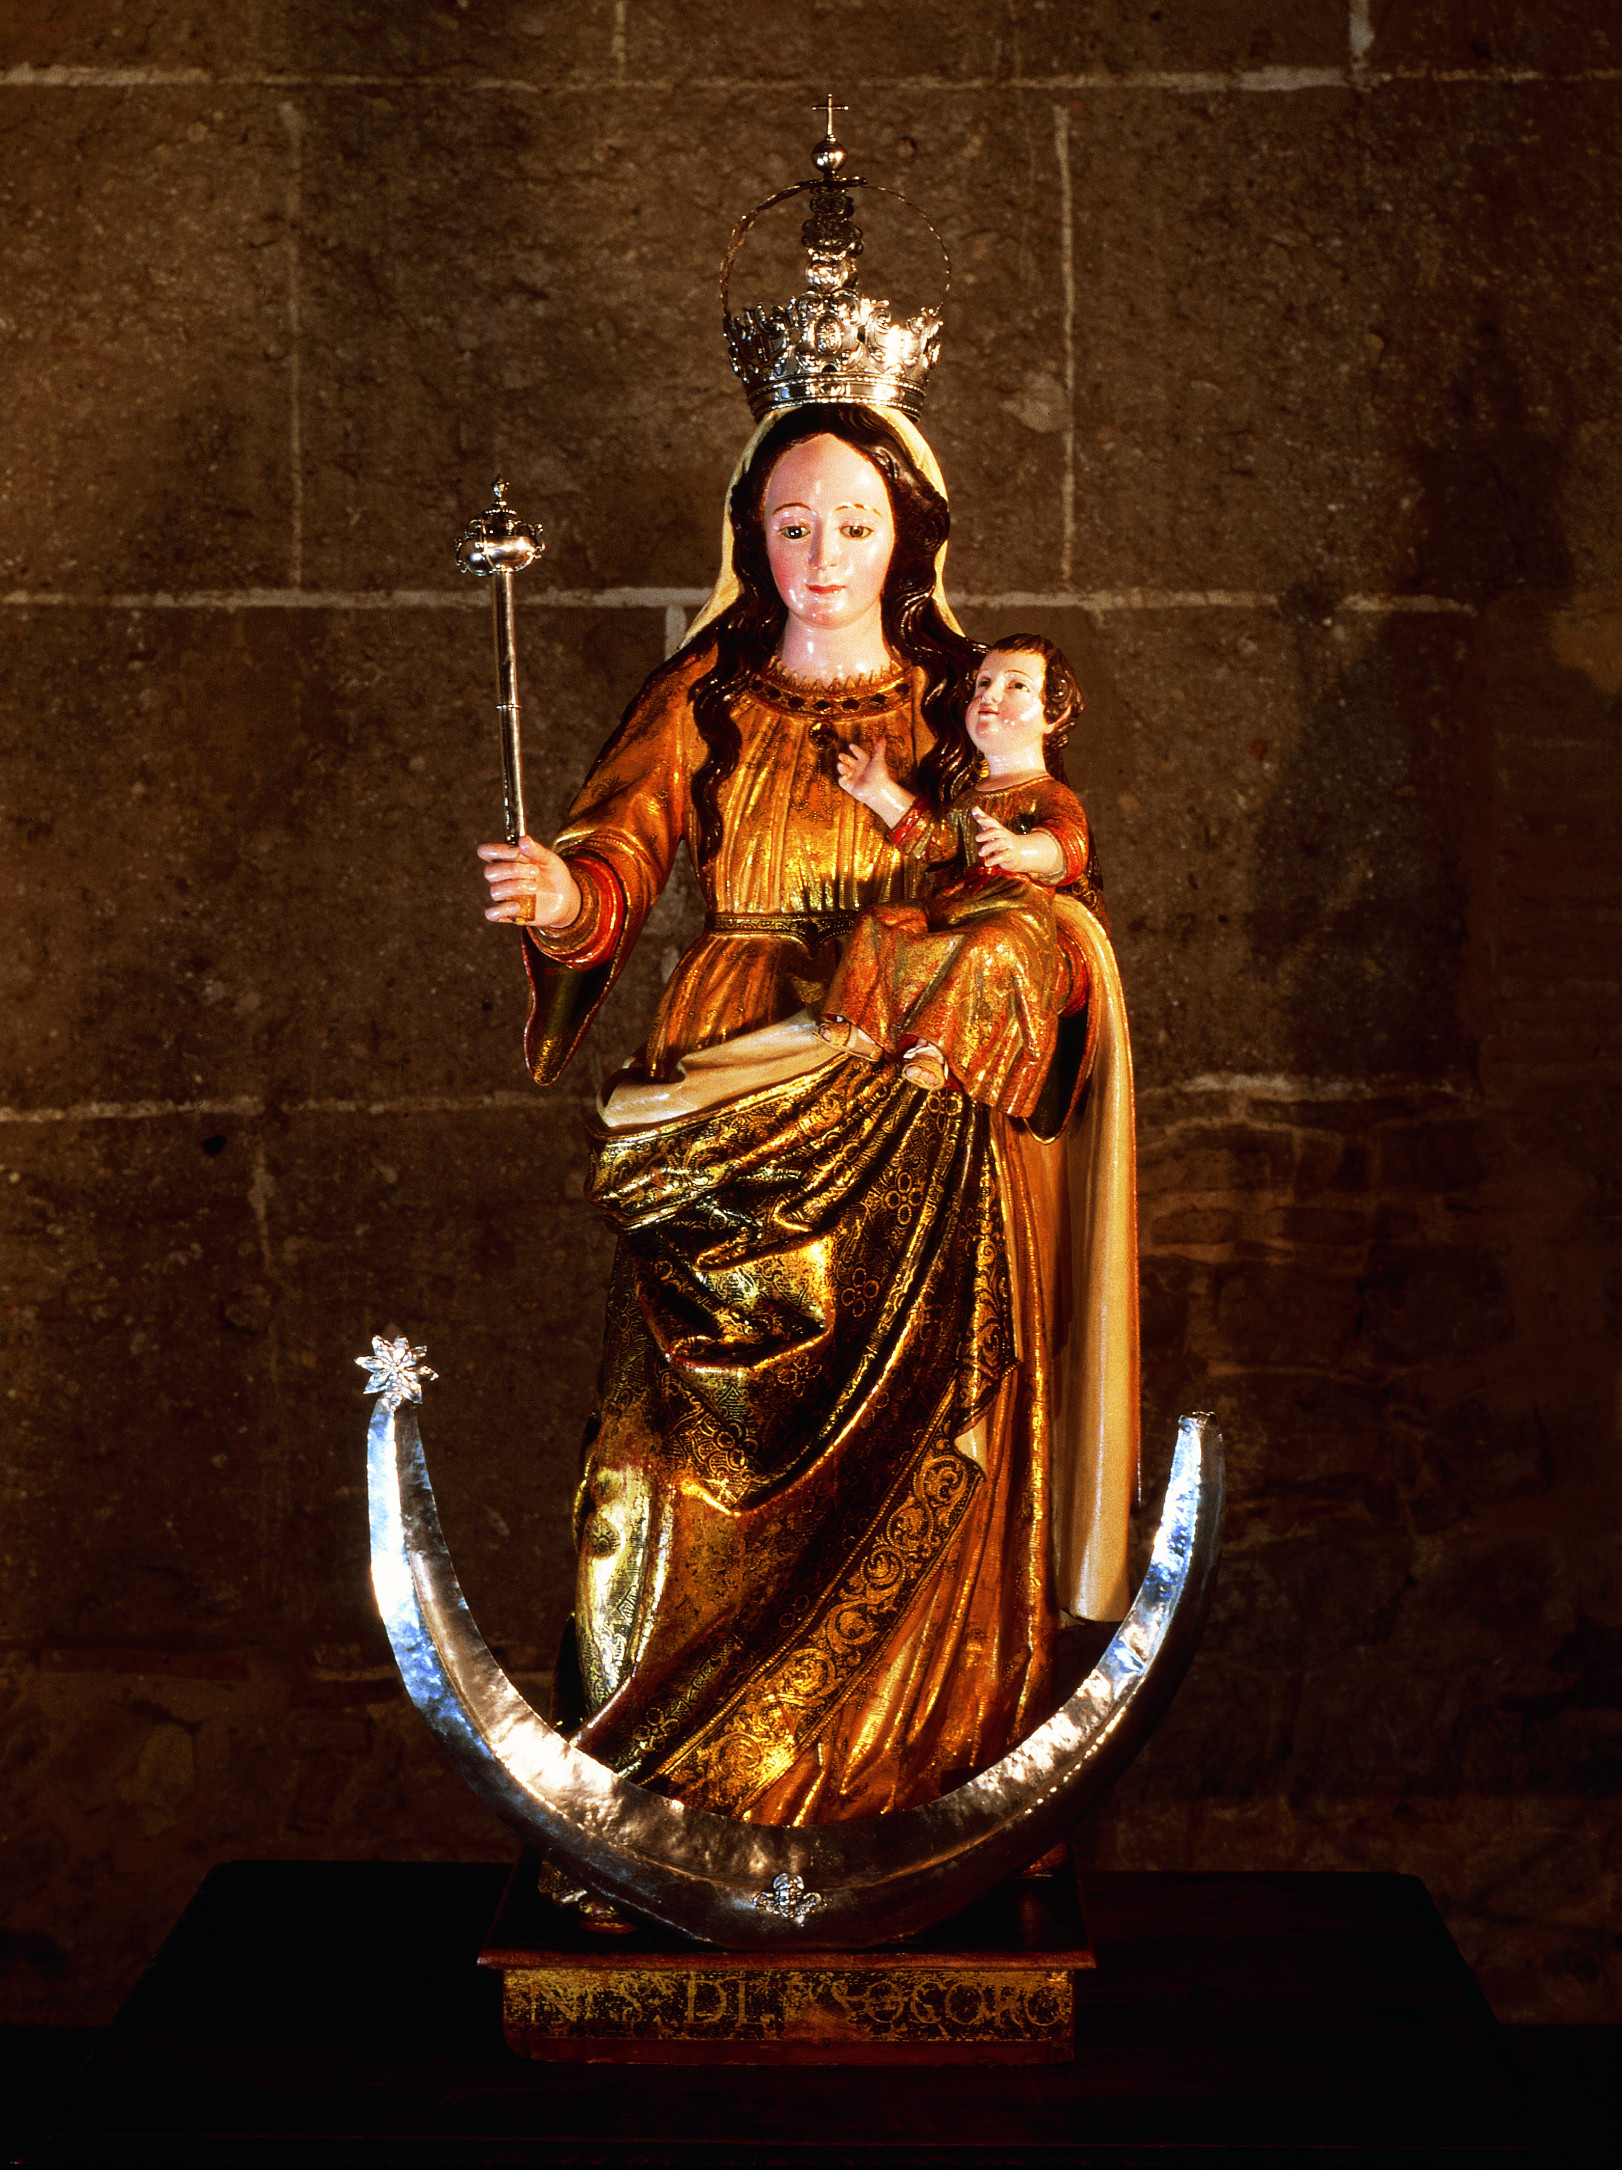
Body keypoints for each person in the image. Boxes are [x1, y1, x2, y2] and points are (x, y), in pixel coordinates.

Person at [474, 401, 1139, 1828]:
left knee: (934, 1426)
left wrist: (1016, 939)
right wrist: (563, 894)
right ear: (750, 538)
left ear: (907, 537)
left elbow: (1040, 867)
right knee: (674, 1451)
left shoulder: (964, 693)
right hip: (735, 1065)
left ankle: (914, 1773)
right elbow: (618, 853)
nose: (822, 555)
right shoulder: (704, 695)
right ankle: (671, 1789)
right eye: (791, 525)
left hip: (913, 1085)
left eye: (853, 523)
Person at [821, 637, 1106, 1113]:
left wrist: (1022, 850)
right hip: (954, 906)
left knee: (983, 948)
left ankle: (936, 1052)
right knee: (880, 921)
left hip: (1013, 916)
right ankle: (867, 1028)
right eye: (983, 684)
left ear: (1053, 716)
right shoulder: (971, 796)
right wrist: (878, 791)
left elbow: (1067, 847)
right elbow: (938, 843)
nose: (990, 695)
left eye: (1016, 686)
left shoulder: (1050, 794)